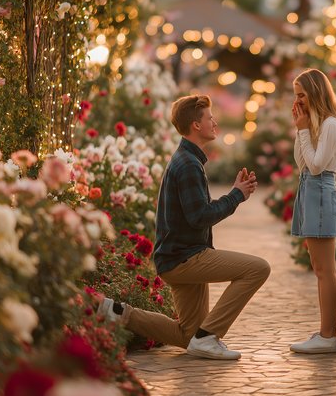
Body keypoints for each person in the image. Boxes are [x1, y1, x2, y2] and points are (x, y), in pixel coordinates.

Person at [99, 94, 270, 360]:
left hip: (177, 256)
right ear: (196, 125)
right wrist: (236, 195)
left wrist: (237, 192)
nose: (214, 122)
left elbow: (195, 213)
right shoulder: (188, 164)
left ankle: (118, 312)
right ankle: (209, 336)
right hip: (185, 258)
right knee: (258, 268)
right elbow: (200, 216)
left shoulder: (187, 159)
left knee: (187, 336)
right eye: (209, 118)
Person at [289, 68, 336, 354]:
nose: (298, 101)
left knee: (325, 269)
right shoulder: (317, 124)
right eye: (295, 96)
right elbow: (301, 162)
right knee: (320, 268)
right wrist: (301, 128)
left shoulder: (331, 125)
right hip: (309, 190)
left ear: (316, 92)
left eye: (302, 95)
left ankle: (328, 335)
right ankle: (326, 332)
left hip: (320, 191)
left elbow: (316, 167)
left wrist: (304, 130)